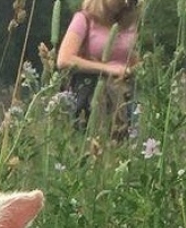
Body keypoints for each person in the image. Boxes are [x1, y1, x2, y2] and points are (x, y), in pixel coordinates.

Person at [57, 0, 140, 136]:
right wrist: (106, 68)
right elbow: (64, 59)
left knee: (123, 148)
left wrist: (133, 69)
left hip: (124, 96)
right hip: (90, 96)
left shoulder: (129, 23)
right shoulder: (84, 19)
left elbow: (134, 58)